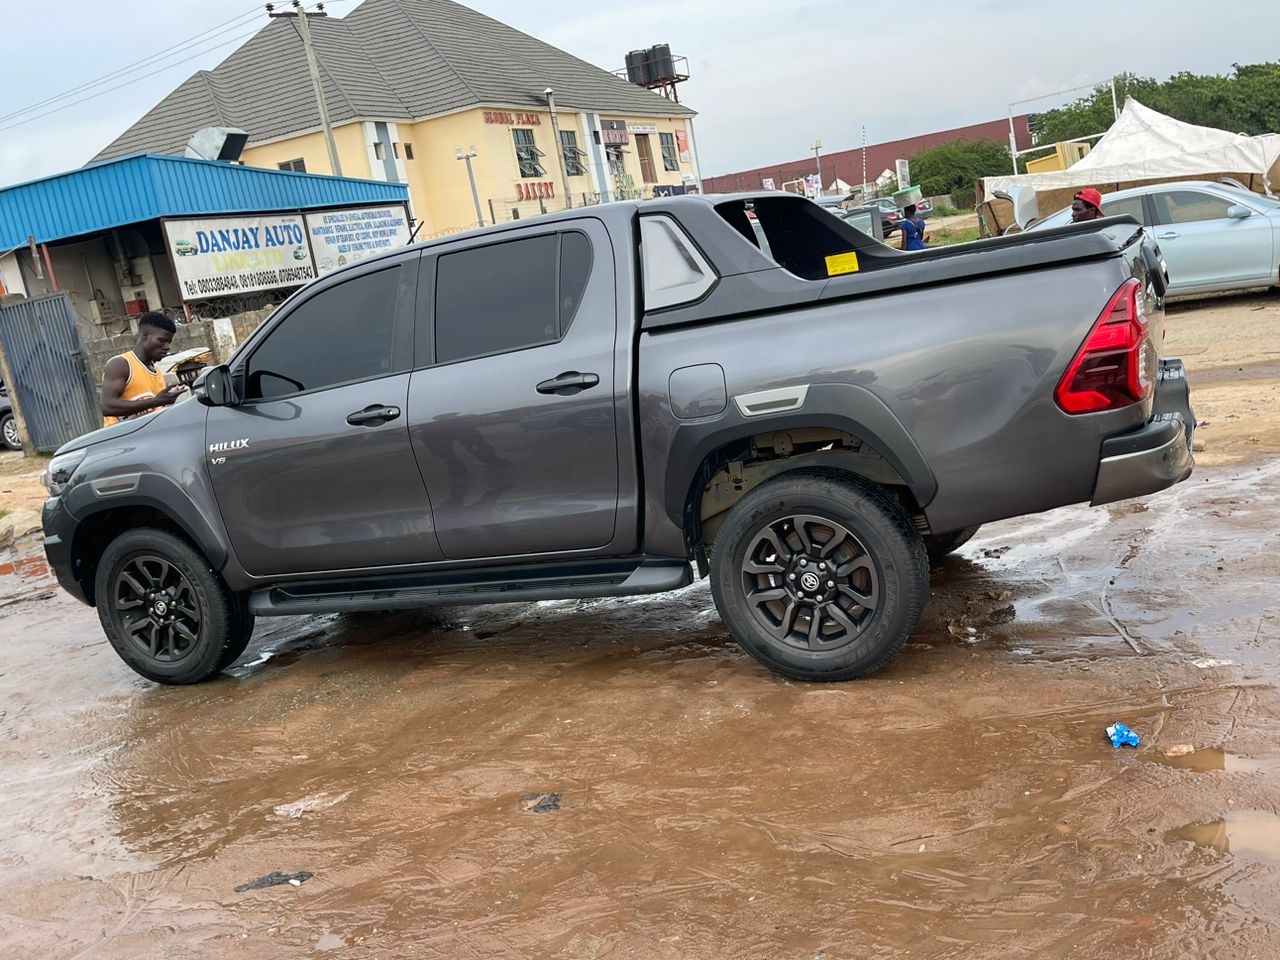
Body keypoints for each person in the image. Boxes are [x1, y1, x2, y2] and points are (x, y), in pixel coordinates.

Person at [101, 312, 186, 427]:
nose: (167, 347)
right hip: (121, 440)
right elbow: (108, 407)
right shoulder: (121, 364)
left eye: (169, 342)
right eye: (162, 341)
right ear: (144, 336)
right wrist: (157, 401)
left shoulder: (157, 372)